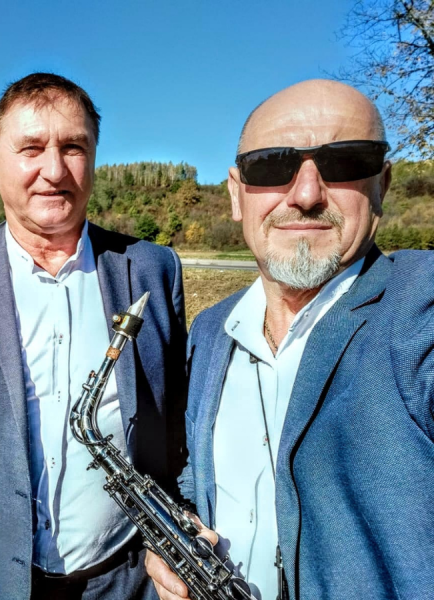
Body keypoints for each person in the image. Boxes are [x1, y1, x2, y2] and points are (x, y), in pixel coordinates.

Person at [0, 73, 188, 600]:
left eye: (73, 147)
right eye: (31, 149)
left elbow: (181, 429)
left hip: (127, 579)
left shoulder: (153, 269)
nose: (54, 170)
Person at [146, 79, 434, 600]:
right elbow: (198, 476)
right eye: (271, 166)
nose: (305, 195)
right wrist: (177, 535)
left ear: (383, 185)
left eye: (345, 162)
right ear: (236, 194)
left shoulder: (418, 307)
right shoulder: (211, 330)